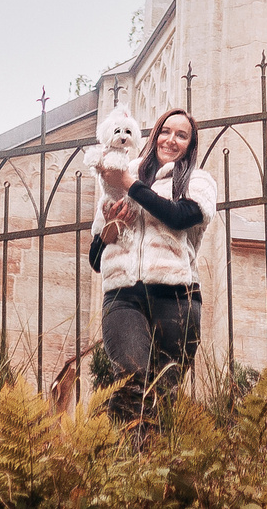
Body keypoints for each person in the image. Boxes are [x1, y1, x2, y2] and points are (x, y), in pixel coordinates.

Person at [87, 106, 215, 420]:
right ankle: (130, 464)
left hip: (177, 299)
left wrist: (130, 183)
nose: (171, 140)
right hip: (123, 298)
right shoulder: (117, 178)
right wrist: (109, 231)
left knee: (165, 395)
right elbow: (95, 260)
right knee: (132, 383)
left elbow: (179, 216)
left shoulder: (198, 181)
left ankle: (157, 463)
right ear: (155, 135)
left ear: (190, 144)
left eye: (181, 135)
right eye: (165, 131)